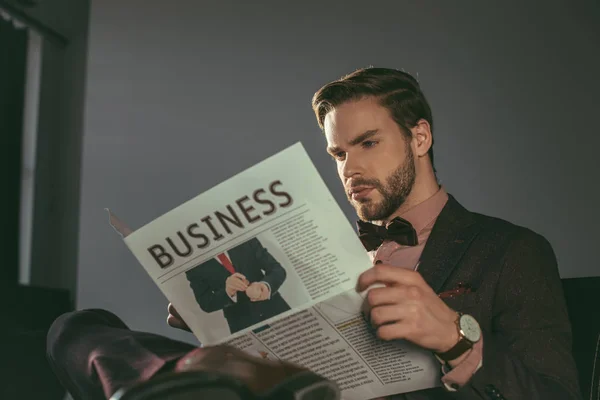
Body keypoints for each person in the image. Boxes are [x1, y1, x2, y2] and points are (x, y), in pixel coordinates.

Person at [47, 67, 582, 400]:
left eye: (368, 143)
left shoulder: (510, 251)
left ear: (420, 137)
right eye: (339, 153)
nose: (349, 168)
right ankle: (183, 378)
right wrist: (217, 328)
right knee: (79, 328)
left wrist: (456, 340)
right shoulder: (313, 247)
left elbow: (556, 393)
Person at [185, 236, 290, 334]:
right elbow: (206, 303)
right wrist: (227, 292)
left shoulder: (244, 239)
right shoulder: (194, 266)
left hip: (278, 311)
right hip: (242, 325)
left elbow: (277, 270)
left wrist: (265, 285)